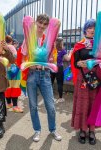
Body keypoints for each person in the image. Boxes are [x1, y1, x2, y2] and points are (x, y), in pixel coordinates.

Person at [19, 14, 62, 142]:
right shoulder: (28, 38)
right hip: (32, 75)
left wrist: (51, 58)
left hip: (45, 75)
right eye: (40, 23)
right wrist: (29, 65)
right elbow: (23, 58)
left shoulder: (49, 39)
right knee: (33, 106)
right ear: (35, 23)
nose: (41, 27)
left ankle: (53, 129)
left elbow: (52, 59)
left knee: (51, 106)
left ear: (47, 26)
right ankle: (37, 130)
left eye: (44, 24)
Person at [71, 19, 101, 145]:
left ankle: (92, 130)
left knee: (94, 103)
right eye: (89, 27)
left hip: (96, 77)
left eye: (94, 28)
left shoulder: (99, 44)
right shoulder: (79, 44)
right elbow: (75, 62)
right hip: (83, 78)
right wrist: (80, 63)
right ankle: (83, 130)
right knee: (83, 103)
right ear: (85, 29)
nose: (92, 30)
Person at [5, 35, 23, 113]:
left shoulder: (3, 47)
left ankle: (9, 104)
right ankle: (15, 106)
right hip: (14, 70)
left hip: (6, 70)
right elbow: (16, 57)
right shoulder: (11, 47)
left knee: (8, 87)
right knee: (15, 87)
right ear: (11, 41)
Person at [51, 37, 71, 102]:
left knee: (51, 82)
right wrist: (70, 53)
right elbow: (68, 59)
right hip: (59, 67)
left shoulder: (52, 50)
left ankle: (50, 97)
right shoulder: (63, 50)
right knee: (60, 83)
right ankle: (60, 98)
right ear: (61, 43)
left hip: (52, 67)